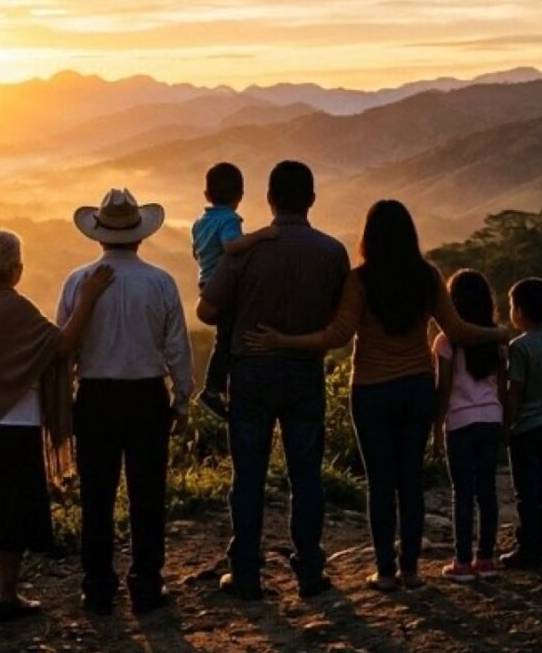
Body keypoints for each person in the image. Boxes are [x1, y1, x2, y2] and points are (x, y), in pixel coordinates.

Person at [246, 199, 509, 592]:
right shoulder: (427, 276)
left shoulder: (360, 280)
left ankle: (385, 572)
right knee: (411, 482)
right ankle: (412, 571)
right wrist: (500, 333)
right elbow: (458, 330)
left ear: (369, 235)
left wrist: (283, 340)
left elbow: (336, 336)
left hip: (370, 390)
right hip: (417, 389)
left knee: (381, 483)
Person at [0, 229, 113, 622]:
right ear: (16, 269)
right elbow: (61, 346)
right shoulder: (16, 309)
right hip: (15, 426)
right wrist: (89, 298)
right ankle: (9, 594)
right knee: (11, 514)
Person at [197, 160, 349, 601]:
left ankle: (245, 573)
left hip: (251, 374)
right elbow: (341, 320)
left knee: (248, 477)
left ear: (269, 199)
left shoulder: (244, 252)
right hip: (305, 371)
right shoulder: (332, 252)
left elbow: (207, 312)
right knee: (307, 477)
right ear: (312, 200)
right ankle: (309, 571)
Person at [57, 188, 194, 616]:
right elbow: (177, 348)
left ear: (98, 235)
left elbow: (64, 345)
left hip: (95, 398)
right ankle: (146, 586)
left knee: (96, 497)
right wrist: (183, 400)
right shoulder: (160, 282)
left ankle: (97, 588)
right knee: (147, 496)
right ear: (140, 234)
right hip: (146, 396)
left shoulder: (79, 281)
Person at [432, 269, 507, 583]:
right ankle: (486, 559)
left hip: (460, 423)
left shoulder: (446, 340)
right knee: (487, 491)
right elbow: (503, 387)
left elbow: (444, 388)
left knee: (461, 492)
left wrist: (437, 428)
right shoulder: (497, 338)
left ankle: (462, 562)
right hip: (491, 419)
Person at [192, 162, 278, 419]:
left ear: (207, 195)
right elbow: (231, 245)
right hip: (223, 286)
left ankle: (218, 389)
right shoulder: (229, 220)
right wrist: (260, 236)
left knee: (225, 336)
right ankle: (212, 390)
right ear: (240, 197)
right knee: (228, 339)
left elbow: (197, 251)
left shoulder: (200, 222)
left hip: (206, 282)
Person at [502, 277, 542, 569]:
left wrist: (506, 424)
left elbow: (515, 391)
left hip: (526, 428)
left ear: (520, 310)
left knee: (526, 492)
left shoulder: (519, 347)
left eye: (511, 305)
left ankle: (528, 549)